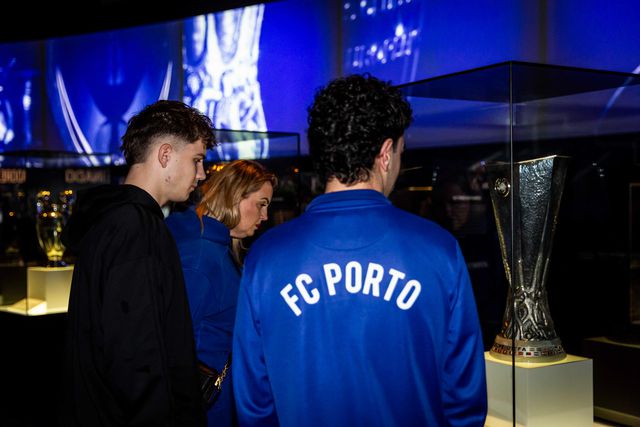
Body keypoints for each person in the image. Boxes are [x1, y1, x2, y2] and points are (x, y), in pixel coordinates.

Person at [232, 74, 488, 427]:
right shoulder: (439, 251)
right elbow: (464, 401)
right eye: (400, 152)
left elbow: (254, 404)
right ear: (385, 153)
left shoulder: (266, 258)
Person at [60, 100, 216, 426]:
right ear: (165, 155)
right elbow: (136, 358)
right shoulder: (135, 227)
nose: (202, 174)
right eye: (197, 160)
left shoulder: (114, 220)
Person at [165, 159, 276, 427]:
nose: (265, 216)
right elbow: (169, 347)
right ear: (235, 195)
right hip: (201, 409)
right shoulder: (202, 258)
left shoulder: (212, 248)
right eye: (261, 204)